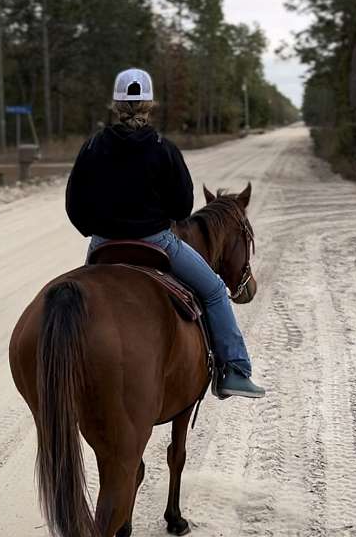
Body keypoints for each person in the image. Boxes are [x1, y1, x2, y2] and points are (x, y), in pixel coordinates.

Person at [65, 68, 265, 400]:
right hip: (157, 243)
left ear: (115, 105)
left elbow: (75, 204)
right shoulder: (163, 148)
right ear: (148, 105)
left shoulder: (92, 147)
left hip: (104, 247)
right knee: (215, 290)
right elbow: (183, 206)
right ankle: (235, 370)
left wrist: (95, 229)